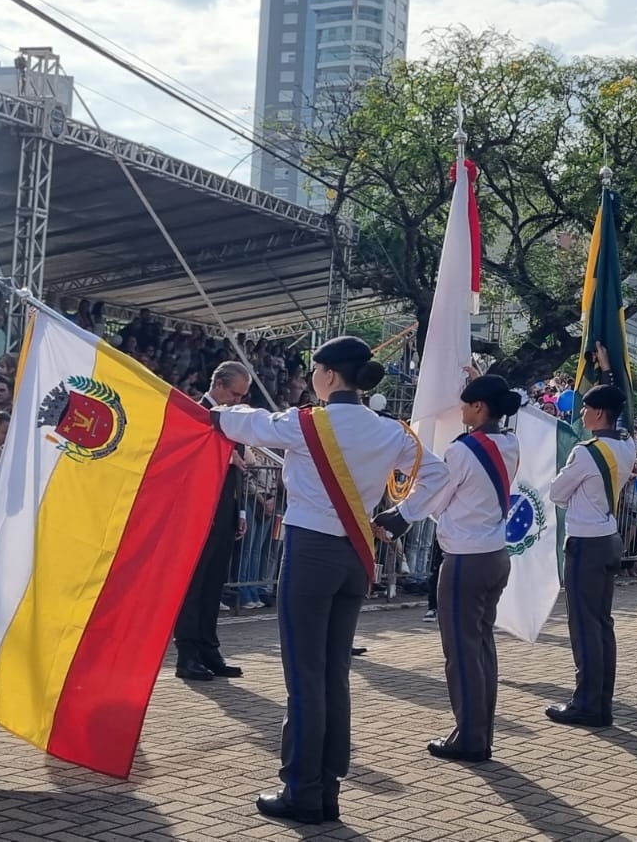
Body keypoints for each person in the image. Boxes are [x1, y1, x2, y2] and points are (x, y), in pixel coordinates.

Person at [211, 336, 447, 825]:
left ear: (330, 376)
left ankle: (302, 789)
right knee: (334, 673)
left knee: (304, 676)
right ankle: (328, 785)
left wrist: (208, 410)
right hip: (354, 557)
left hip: (310, 552)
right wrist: (402, 517)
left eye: (315, 370)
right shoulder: (390, 432)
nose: (311, 377)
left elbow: (239, 421)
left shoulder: (305, 423)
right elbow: (438, 476)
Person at [378, 371, 521, 762]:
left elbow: (437, 497)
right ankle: (480, 730)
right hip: (495, 554)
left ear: (478, 406)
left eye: (465, 402)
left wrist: (400, 515)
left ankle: (470, 738)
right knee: (482, 647)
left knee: (461, 651)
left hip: (465, 558)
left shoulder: (463, 450)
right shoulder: (509, 443)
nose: (459, 408)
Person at [542, 384, 637, 728]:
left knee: (583, 626)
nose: (581, 414)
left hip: (585, 542)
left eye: (585, 409)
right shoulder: (628, 447)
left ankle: (586, 703)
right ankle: (601, 702)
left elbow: (556, 492)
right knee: (601, 625)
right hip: (608, 537)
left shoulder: (587, 452)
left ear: (598, 412)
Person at [175, 361, 254, 682]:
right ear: (219, 385)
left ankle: (210, 648)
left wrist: (240, 512)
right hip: (196, 514)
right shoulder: (194, 414)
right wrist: (220, 456)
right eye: (235, 394)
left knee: (213, 585)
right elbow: (186, 461)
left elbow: (239, 467)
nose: (238, 400)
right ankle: (187, 654)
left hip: (224, 510)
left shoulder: (231, 420)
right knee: (194, 587)